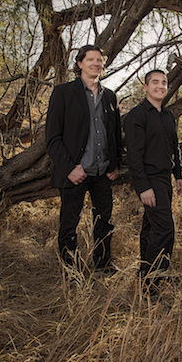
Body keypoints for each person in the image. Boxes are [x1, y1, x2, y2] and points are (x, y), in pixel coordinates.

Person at [46, 45, 122, 272]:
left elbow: (115, 134)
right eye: (90, 60)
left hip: (102, 172)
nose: (95, 64)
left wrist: (115, 164)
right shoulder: (64, 92)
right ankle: (71, 271)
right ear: (80, 63)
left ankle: (103, 265)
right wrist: (69, 169)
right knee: (69, 224)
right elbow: (52, 137)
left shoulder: (109, 96)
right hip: (75, 173)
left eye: (99, 60)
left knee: (104, 222)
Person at [124, 69, 182, 290]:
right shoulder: (137, 116)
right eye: (155, 82)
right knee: (165, 229)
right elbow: (134, 156)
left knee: (151, 229)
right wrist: (143, 187)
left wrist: (178, 175)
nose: (160, 86)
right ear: (145, 87)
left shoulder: (167, 115)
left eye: (164, 82)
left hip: (165, 179)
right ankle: (151, 283)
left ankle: (147, 273)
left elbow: (174, 146)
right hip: (150, 180)